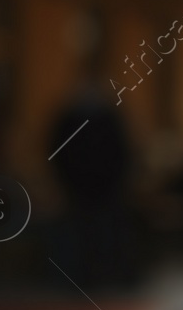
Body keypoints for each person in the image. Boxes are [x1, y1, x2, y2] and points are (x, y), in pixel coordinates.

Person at [47, 82, 139, 290]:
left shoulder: (105, 119)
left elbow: (122, 152)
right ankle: (91, 276)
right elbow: (58, 151)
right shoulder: (74, 120)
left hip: (99, 187)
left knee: (101, 232)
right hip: (85, 187)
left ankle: (103, 275)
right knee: (87, 234)